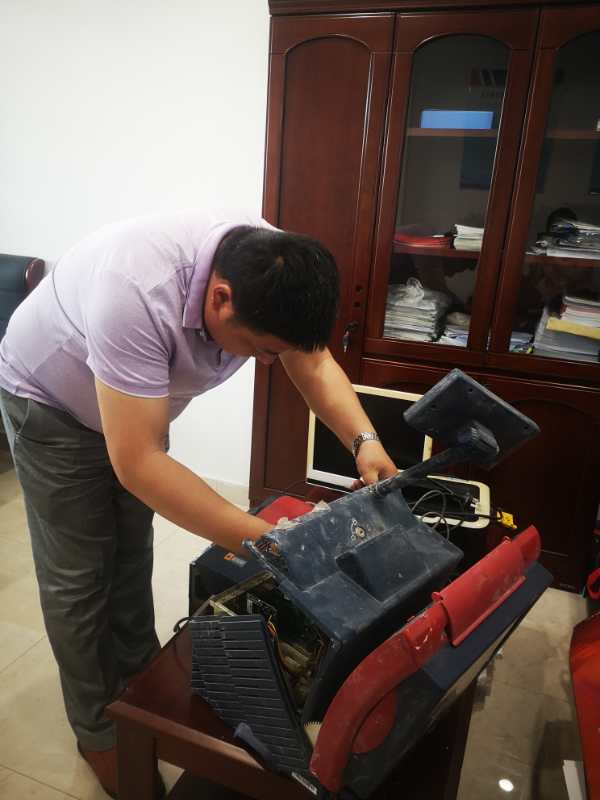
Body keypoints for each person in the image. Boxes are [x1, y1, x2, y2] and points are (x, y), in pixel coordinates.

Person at [0, 209, 396, 798]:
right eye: (259, 349)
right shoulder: (136, 290)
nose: (266, 362)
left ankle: (139, 687)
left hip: (130, 405)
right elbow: (138, 463)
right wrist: (265, 542)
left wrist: (366, 443)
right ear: (220, 298)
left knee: (130, 557)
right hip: (50, 404)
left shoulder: (272, 265)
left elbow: (310, 359)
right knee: (78, 579)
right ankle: (97, 730)